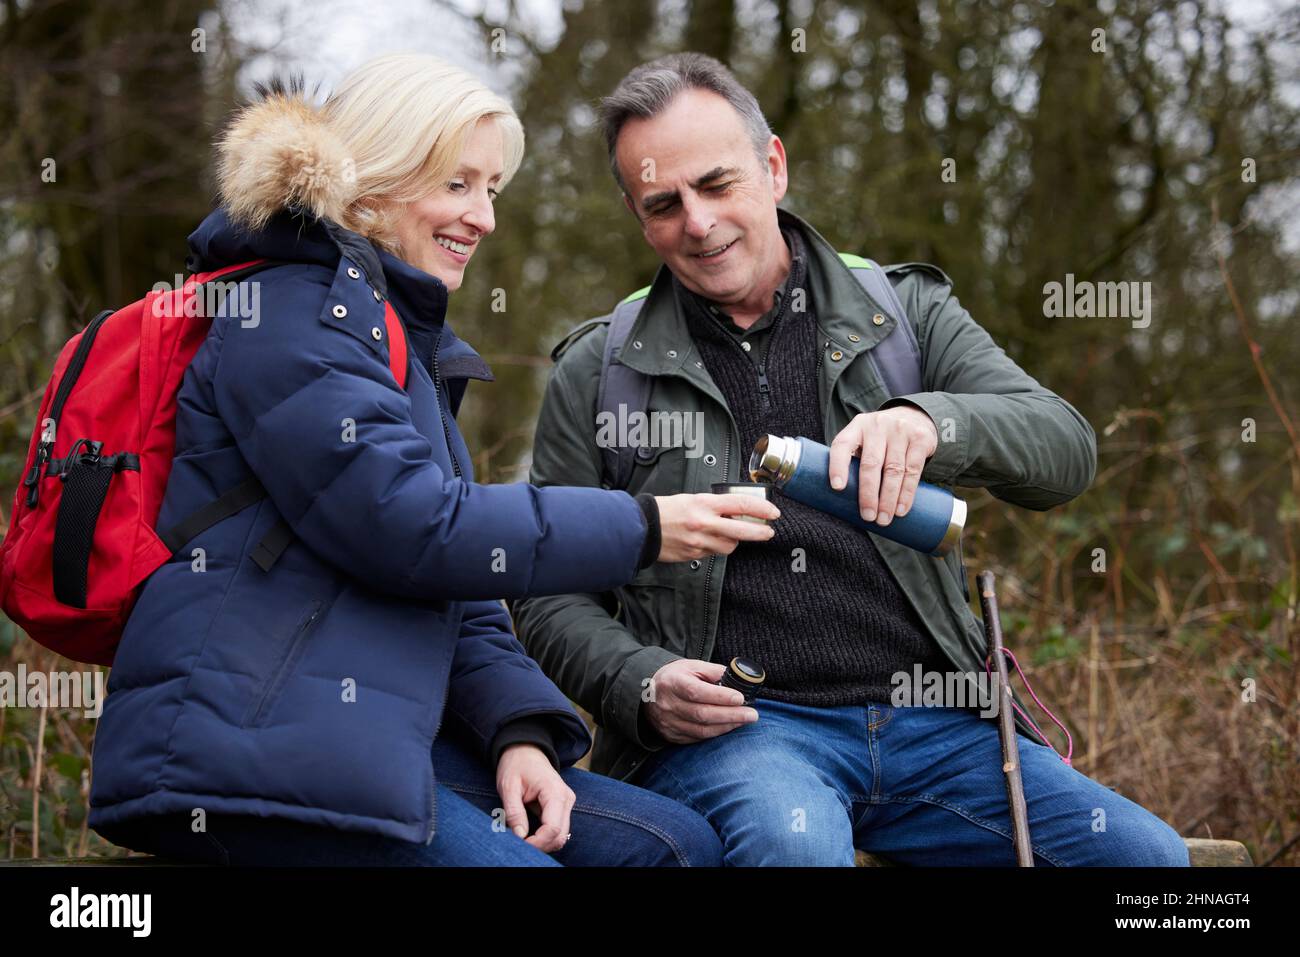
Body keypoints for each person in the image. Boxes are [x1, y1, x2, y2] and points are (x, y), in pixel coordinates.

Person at [87, 53, 780, 867]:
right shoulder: (288, 316)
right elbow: (412, 526)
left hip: (372, 724)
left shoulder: (399, 341)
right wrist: (644, 524)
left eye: (492, 189)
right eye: (457, 184)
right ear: (373, 180)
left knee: (674, 845)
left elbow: (460, 583)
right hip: (250, 748)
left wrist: (516, 730)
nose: (484, 217)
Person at [513, 52, 1190, 866]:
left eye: (718, 184)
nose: (697, 222)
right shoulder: (600, 367)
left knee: (1147, 862)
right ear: (637, 214)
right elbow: (547, 588)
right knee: (794, 849)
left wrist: (935, 422)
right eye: (664, 204)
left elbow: (1065, 449)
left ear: (774, 167)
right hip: (745, 736)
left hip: (941, 725)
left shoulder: (904, 313)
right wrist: (639, 682)